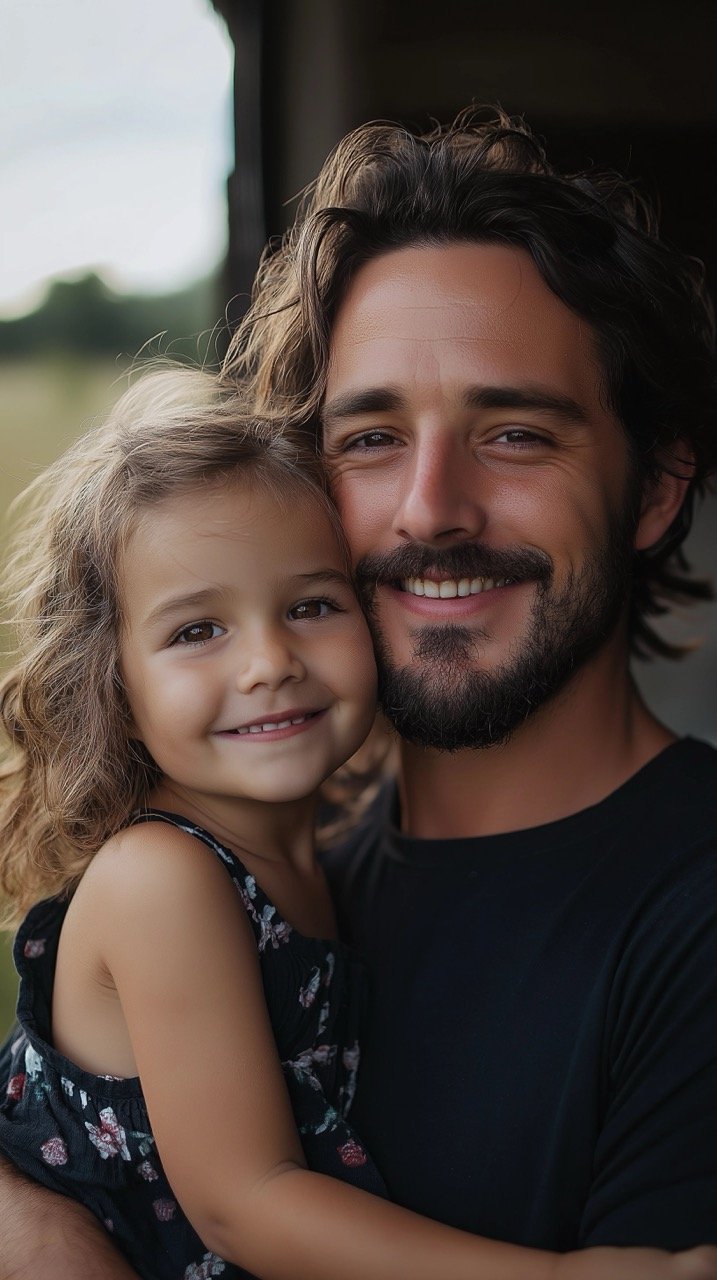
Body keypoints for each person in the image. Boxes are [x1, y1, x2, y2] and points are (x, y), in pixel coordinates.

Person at [2, 105, 717, 1274]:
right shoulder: (289, 852)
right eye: (372, 437)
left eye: (519, 433)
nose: (431, 507)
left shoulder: (690, 916)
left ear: (654, 490)